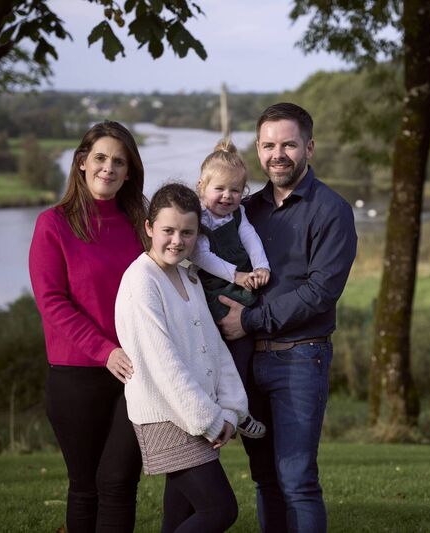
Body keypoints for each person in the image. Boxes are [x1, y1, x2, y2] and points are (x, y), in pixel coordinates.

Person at [218, 102, 358, 533]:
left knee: (297, 479)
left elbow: (320, 293)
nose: (278, 154)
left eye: (288, 145)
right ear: (258, 150)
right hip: (246, 362)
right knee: (264, 479)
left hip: (300, 359)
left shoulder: (331, 210)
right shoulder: (246, 209)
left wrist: (251, 320)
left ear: (309, 147)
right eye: (268, 145)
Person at [29, 121, 145, 532]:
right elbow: (52, 303)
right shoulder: (54, 224)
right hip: (76, 377)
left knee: (119, 483)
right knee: (85, 489)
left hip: (135, 374)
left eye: (119, 161)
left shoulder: (140, 224)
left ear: (129, 172)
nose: (108, 168)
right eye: (100, 158)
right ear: (82, 162)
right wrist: (104, 350)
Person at [115, 183, 248, 533]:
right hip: (167, 416)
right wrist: (209, 419)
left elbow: (214, 346)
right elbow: (162, 363)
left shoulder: (187, 275)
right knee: (220, 510)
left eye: (187, 232)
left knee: (180, 518)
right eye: (168, 230)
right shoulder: (140, 281)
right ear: (149, 228)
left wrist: (233, 407)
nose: (177, 240)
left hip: (195, 413)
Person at [189, 139, 270, 439]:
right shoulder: (199, 217)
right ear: (202, 187)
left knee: (241, 352)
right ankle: (231, 411)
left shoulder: (238, 214)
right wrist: (236, 275)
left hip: (240, 280)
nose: (227, 196)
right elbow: (201, 255)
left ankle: (236, 410)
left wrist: (262, 267)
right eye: (219, 189)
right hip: (215, 285)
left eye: (235, 190)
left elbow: (250, 238)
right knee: (220, 352)